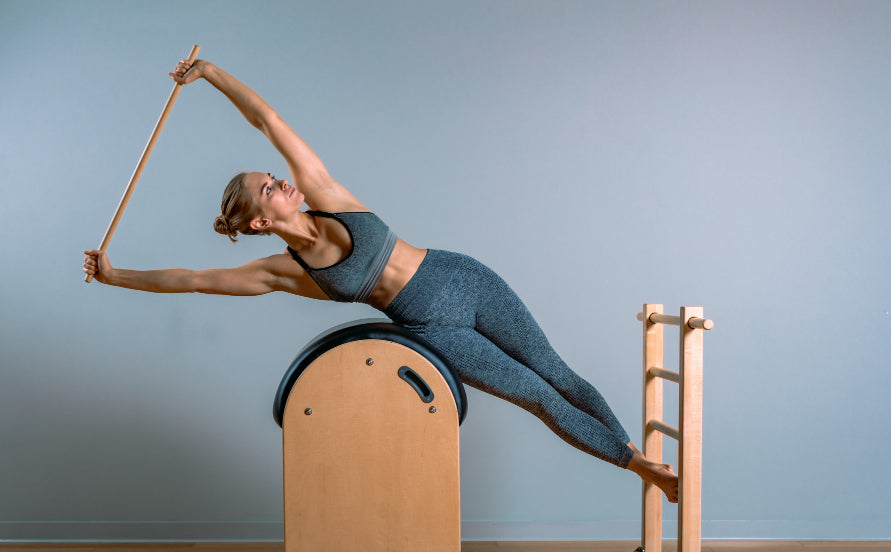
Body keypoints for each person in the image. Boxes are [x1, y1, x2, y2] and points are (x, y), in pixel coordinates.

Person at [83, 57, 679, 503]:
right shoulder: (282, 272)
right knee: (538, 397)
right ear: (263, 220)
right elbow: (192, 280)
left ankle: (633, 451)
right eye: (269, 188)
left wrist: (211, 72)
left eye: (273, 176)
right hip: (430, 327)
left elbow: (266, 119)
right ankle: (641, 468)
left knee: (559, 374)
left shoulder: (324, 194)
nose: (281, 182)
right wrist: (115, 277)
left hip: (463, 278)